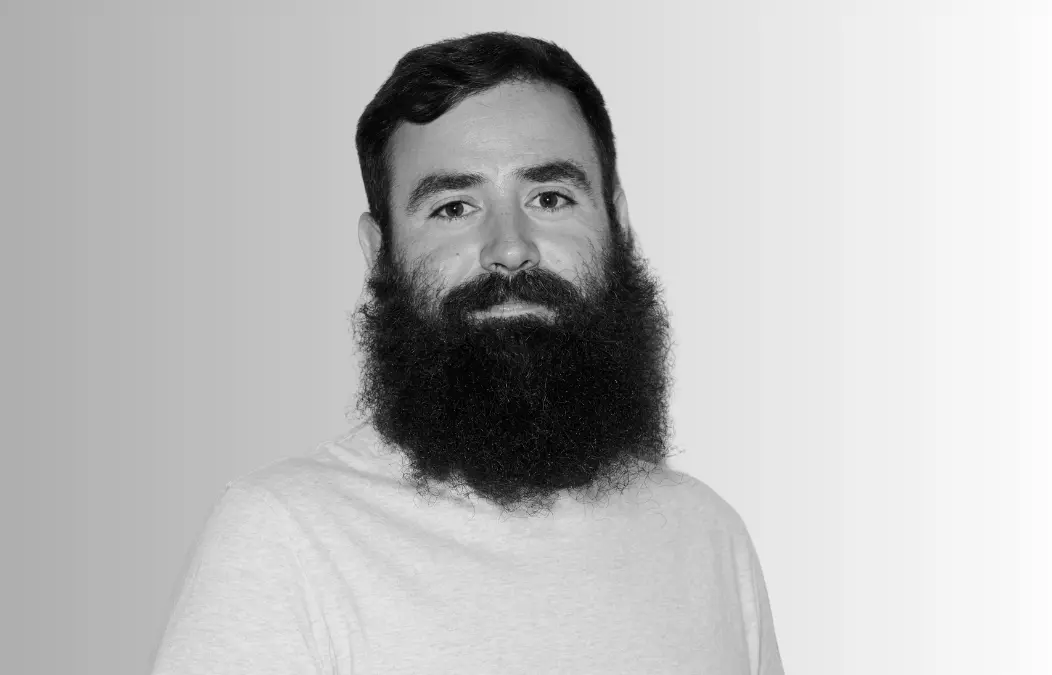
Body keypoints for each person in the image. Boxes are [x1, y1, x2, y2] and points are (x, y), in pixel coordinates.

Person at [150, 31, 784, 675]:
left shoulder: (710, 536)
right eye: (454, 207)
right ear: (380, 253)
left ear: (617, 225)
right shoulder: (285, 537)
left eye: (550, 199)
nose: (510, 248)